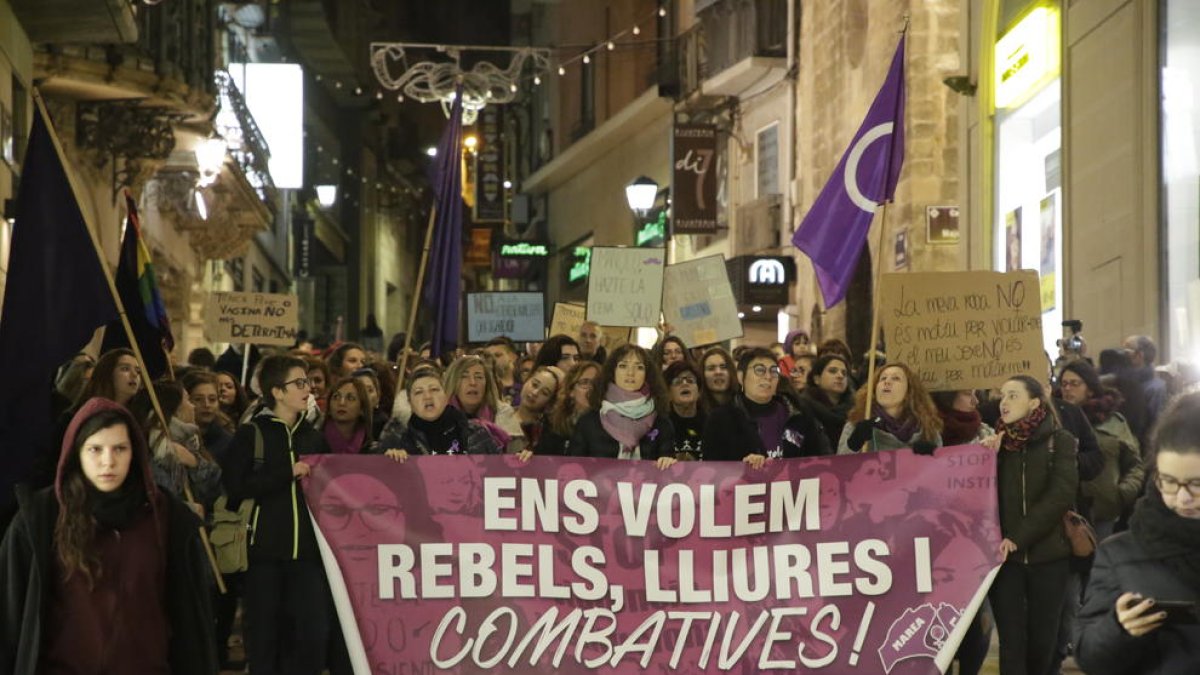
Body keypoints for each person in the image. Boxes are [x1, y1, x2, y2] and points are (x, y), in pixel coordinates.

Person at [0, 398, 217, 674]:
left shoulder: (165, 516)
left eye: (119, 449)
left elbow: (193, 618)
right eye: (95, 449)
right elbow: (8, 615)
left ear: (134, 453)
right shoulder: (41, 517)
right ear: (76, 452)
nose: (108, 461)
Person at [221, 355, 334, 675]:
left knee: (312, 636)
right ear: (277, 392)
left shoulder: (313, 436)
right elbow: (235, 485)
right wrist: (287, 472)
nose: (307, 388)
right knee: (264, 639)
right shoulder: (251, 434)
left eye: (308, 382)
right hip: (264, 556)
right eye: (298, 383)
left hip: (308, 556)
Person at [1074, 391, 1200, 674]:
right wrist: (1119, 628)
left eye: (1196, 484)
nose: (1182, 498)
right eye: (1168, 481)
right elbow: (1089, 656)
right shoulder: (1120, 553)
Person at [989, 375, 1079, 675]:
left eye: (1013, 395)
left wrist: (1020, 536)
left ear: (1035, 402)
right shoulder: (997, 444)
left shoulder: (1060, 440)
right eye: (1002, 396)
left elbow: (1061, 494)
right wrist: (984, 458)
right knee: (1011, 643)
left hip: (1049, 557)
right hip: (1007, 562)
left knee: (1044, 642)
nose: (1004, 402)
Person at [703, 347, 830, 466]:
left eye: (774, 371)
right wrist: (742, 466)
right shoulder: (720, 419)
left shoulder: (799, 414)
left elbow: (816, 462)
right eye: (760, 370)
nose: (768, 376)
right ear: (741, 377)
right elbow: (714, 471)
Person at [569, 344, 676, 466]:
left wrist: (668, 463)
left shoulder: (661, 422)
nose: (631, 373)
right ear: (612, 371)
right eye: (623, 366)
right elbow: (573, 468)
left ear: (647, 374)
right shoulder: (589, 421)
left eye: (639, 367)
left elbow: (668, 468)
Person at [134, 380, 223, 511]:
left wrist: (195, 463)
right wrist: (188, 511)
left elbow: (217, 490)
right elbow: (159, 506)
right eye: (188, 400)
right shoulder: (158, 452)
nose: (193, 407)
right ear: (174, 410)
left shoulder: (190, 442)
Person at [377, 367, 503, 458]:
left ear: (446, 396)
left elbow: (501, 471)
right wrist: (390, 460)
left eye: (434, 389)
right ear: (410, 402)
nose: (427, 397)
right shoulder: (396, 436)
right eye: (419, 392)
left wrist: (521, 459)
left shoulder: (476, 433)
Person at [839, 363, 942, 455]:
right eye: (883, 378)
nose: (887, 382)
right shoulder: (856, 425)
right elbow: (839, 470)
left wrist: (933, 458)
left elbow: (941, 472)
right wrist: (853, 445)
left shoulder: (928, 430)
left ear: (909, 391)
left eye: (896, 378)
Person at [444, 354, 522, 450]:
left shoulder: (502, 411)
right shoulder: (440, 415)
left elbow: (516, 453)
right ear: (453, 382)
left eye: (479, 377)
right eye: (464, 377)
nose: (472, 382)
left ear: (487, 384)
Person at [537, 362, 600, 456]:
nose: (591, 388)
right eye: (585, 383)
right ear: (571, 391)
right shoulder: (553, 423)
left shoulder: (608, 425)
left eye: (597, 383)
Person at [802, 354, 855, 450]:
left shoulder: (855, 409)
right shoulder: (803, 407)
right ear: (817, 379)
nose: (840, 376)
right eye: (832, 371)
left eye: (844, 373)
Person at [184, 370, 235, 463]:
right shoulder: (175, 437)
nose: (206, 405)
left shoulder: (228, 443)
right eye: (198, 399)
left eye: (212, 399)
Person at [1122, 335, 1168, 427]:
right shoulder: (1123, 380)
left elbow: (1155, 425)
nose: (1121, 355)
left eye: (1126, 351)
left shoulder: (1155, 389)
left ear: (1139, 355)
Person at [512, 366, 562, 453]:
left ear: (549, 402)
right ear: (526, 381)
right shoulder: (500, 415)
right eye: (534, 385)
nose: (535, 393)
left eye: (544, 393)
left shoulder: (548, 432)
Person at [665, 361, 706, 460]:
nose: (684, 384)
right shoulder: (661, 424)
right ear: (669, 394)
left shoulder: (712, 423)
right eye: (677, 382)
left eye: (690, 380)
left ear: (699, 392)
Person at [323, 377, 375, 455]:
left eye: (350, 398)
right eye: (336, 397)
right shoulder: (314, 442)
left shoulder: (371, 449)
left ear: (362, 409)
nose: (341, 403)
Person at [484, 337, 522, 404]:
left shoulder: (524, 385)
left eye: (498, 355)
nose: (493, 360)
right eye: (489, 356)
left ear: (513, 357)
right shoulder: (484, 388)